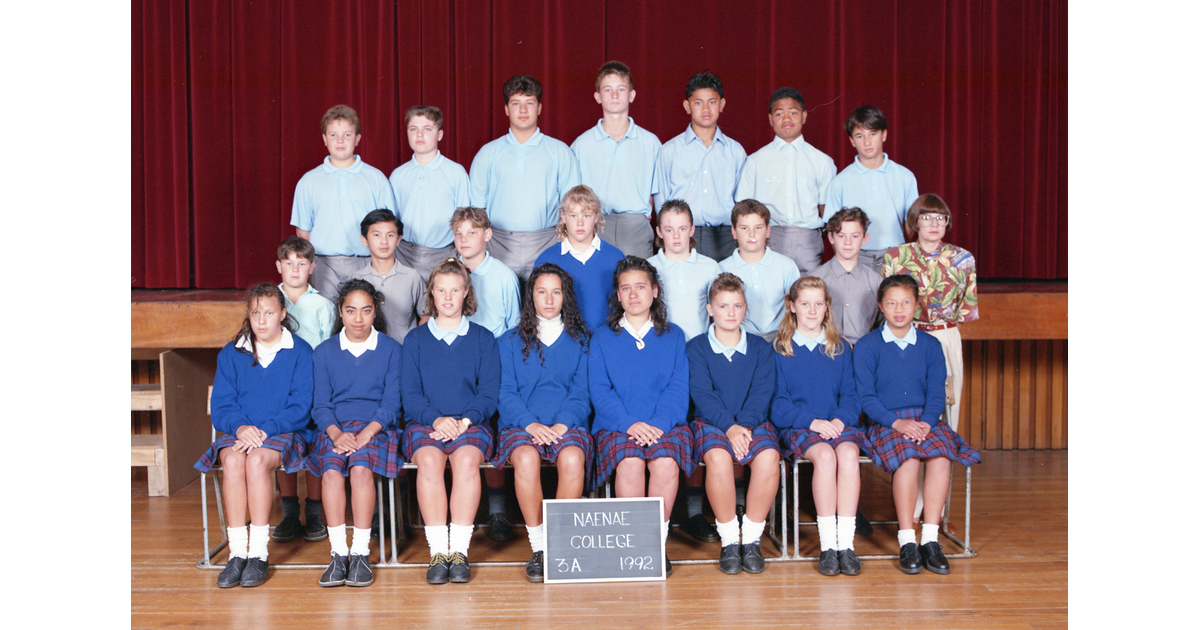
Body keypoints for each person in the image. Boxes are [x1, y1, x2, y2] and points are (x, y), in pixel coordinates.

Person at [853, 275, 980, 575]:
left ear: (916, 306)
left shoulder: (930, 345)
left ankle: (931, 540)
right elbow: (866, 397)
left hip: (925, 419)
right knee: (908, 461)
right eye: (892, 303)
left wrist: (924, 423)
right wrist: (897, 423)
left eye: (906, 302)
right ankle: (907, 540)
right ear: (881, 306)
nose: (899, 309)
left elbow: (936, 392)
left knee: (939, 457)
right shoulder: (867, 346)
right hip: (886, 421)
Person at [194, 284, 314, 588]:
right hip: (242, 432)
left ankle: (258, 553)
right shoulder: (231, 352)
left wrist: (264, 430)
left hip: (283, 432)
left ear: (283, 314)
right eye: (255, 312)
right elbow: (222, 405)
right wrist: (241, 428)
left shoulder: (300, 351)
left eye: (269, 312)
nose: (261, 320)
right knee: (233, 461)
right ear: (249, 315)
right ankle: (238, 553)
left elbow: (301, 407)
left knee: (257, 460)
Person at [590, 256, 693, 577]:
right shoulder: (603, 337)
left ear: (655, 291)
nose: (633, 294)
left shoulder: (674, 336)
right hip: (618, 426)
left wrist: (659, 424)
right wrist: (628, 424)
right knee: (631, 463)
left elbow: (678, 388)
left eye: (640, 287)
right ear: (617, 296)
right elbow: (599, 390)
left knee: (664, 463)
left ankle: (653, 545)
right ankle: (633, 544)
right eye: (626, 288)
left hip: (665, 425)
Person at [401, 259, 501, 584]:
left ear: (466, 293)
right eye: (441, 289)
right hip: (426, 422)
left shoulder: (483, 338)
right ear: (431, 292)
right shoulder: (415, 340)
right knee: (429, 461)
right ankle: (437, 553)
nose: (447, 297)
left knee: (467, 461)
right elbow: (410, 394)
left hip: (470, 424)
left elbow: (488, 393)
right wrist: (436, 419)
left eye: (454, 290)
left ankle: (459, 551)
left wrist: (465, 420)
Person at [493, 263, 593, 582]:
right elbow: (505, 393)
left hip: (568, 424)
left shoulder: (582, 341)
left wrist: (562, 425)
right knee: (525, 457)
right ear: (531, 296)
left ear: (566, 297)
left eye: (556, 292)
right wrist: (531, 425)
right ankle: (539, 547)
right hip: (522, 425)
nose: (548, 299)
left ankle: (560, 545)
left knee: (573, 457)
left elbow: (582, 391)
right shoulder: (508, 342)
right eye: (541, 292)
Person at [306, 280, 402, 588]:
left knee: (361, 469)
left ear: (375, 313)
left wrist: (367, 433)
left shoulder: (390, 349)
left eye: (365, 311)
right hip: (335, 429)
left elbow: (391, 403)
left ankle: (360, 553)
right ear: (340, 312)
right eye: (351, 311)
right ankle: (338, 554)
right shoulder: (324, 352)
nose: (358, 319)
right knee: (332, 472)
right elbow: (320, 405)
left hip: (376, 429)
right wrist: (336, 434)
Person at [771, 277, 866, 576]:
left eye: (818, 303)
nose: (812, 310)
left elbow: (852, 396)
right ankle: (828, 546)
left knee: (849, 455)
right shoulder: (779, 350)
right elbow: (777, 404)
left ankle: (845, 545)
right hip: (800, 426)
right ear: (792, 307)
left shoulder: (839, 348)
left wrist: (838, 420)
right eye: (805, 303)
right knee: (825, 456)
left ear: (827, 307)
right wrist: (812, 422)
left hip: (837, 424)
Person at [687, 273, 780, 575]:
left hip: (752, 422)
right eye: (723, 306)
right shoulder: (697, 348)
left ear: (745, 308)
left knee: (768, 458)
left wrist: (746, 426)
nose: (730, 313)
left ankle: (750, 540)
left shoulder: (761, 348)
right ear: (710, 309)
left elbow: (762, 392)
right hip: (713, 422)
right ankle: (729, 540)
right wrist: (729, 427)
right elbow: (702, 394)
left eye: (737, 306)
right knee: (718, 458)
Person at [450, 206, 521, 542]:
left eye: (472, 233)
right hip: (457, 365)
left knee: (490, 429)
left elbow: (515, 328)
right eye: (459, 234)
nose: (465, 240)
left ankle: (497, 510)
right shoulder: (447, 274)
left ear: (487, 235)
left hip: (493, 362)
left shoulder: (504, 277)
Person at [469, 74, 581, 283]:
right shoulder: (488, 153)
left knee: (544, 308)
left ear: (539, 108)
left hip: (546, 241)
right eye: (515, 103)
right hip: (499, 242)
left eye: (529, 103)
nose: (522, 110)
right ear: (506, 109)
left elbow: (572, 207)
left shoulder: (559, 151)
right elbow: (478, 210)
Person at [290, 104, 398, 298]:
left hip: (365, 262)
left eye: (347, 135)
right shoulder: (309, 181)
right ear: (324, 139)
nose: (340, 140)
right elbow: (303, 231)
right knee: (327, 321)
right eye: (333, 135)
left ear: (357, 138)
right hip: (324, 264)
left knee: (363, 319)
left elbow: (388, 227)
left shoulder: (375, 178)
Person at [272, 237, 334, 544]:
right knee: (283, 443)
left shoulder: (323, 305)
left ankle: (314, 513)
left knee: (314, 447)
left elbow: (328, 352)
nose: (294, 269)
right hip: (280, 389)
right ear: (278, 266)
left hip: (313, 387)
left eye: (301, 264)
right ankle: (288, 513)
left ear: (312, 267)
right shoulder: (269, 303)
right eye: (288, 263)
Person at [734, 87, 835, 275]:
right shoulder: (755, 161)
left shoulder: (822, 162)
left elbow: (826, 211)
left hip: (808, 242)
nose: (786, 119)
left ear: (804, 116)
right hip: (769, 238)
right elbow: (744, 208)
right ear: (771, 119)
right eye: (779, 113)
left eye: (793, 113)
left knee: (808, 296)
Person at [571, 60, 661, 258]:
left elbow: (658, 194)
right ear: (598, 96)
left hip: (635, 226)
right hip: (596, 225)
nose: (614, 95)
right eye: (607, 89)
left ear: (631, 95)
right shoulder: (581, 144)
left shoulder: (650, 143)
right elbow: (574, 195)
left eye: (621, 89)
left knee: (636, 284)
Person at [655, 72, 746, 262]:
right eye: (698, 102)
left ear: (722, 104)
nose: (706, 108)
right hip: (683, 235)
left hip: (725, 237)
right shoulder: (670, 150)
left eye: (712, 102)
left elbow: (742, 200)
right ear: (687, 106)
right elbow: (662, 198)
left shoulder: (735, 151)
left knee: (725, 289)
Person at [825, 106, 919, 273]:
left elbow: (910, 222)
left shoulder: (905, 177)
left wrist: (899, 252)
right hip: (856, 256)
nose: (867, 142)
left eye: (873, 134)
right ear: (852, 141)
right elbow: (833, 228)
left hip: (895, 255)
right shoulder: (839, 182)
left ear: (884, 134)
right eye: (860, 136)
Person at [391, 105, 472, 281]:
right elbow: (392, 220)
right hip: (404, 254)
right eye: (413, 129)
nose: (420, 135)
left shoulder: (455, 172)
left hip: (442, 254)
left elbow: (464, 220)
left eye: (427, 129)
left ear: (440, 134)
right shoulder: (398, 175)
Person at [533, 185, 625, 334]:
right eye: (573, 215)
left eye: (586, 215)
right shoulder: (547, 259)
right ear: (563, 216)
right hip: (564, 342)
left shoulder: (615, 257)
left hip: (606, 340)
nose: (580, 223)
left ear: (596, 217)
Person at [719, 199, 801, 339]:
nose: (752, 234)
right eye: (744, 228)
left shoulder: (786, 266)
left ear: (768, 230)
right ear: (734, 231)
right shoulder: (721, 269)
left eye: (758, 228)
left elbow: (798, 308)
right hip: (739, 339)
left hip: (781, 338)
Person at [647, 200, 721, 341]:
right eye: (669, 230)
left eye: (682, 229)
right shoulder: (648, 267)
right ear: (659, 231)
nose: (676, 236)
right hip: (662, 346)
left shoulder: (710, 266)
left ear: (692, 230)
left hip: (699, 347)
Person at [350, 209, 425, 343]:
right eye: (377, 235)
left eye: (390, 235)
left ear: (398, 240)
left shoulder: (412, 277)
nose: (384, 241)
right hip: (369, 354)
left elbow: (426, 316)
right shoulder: (356, 278)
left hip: (404, 351)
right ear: (364, 239)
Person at [810, 207, 883, 346]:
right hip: (825, 350)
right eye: (841, 235)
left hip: (863, 353)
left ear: (865, 238)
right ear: (831, 237)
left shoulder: (877, 282)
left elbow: (881, 326)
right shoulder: (814, 279)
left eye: (855, 236)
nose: (848, 242)